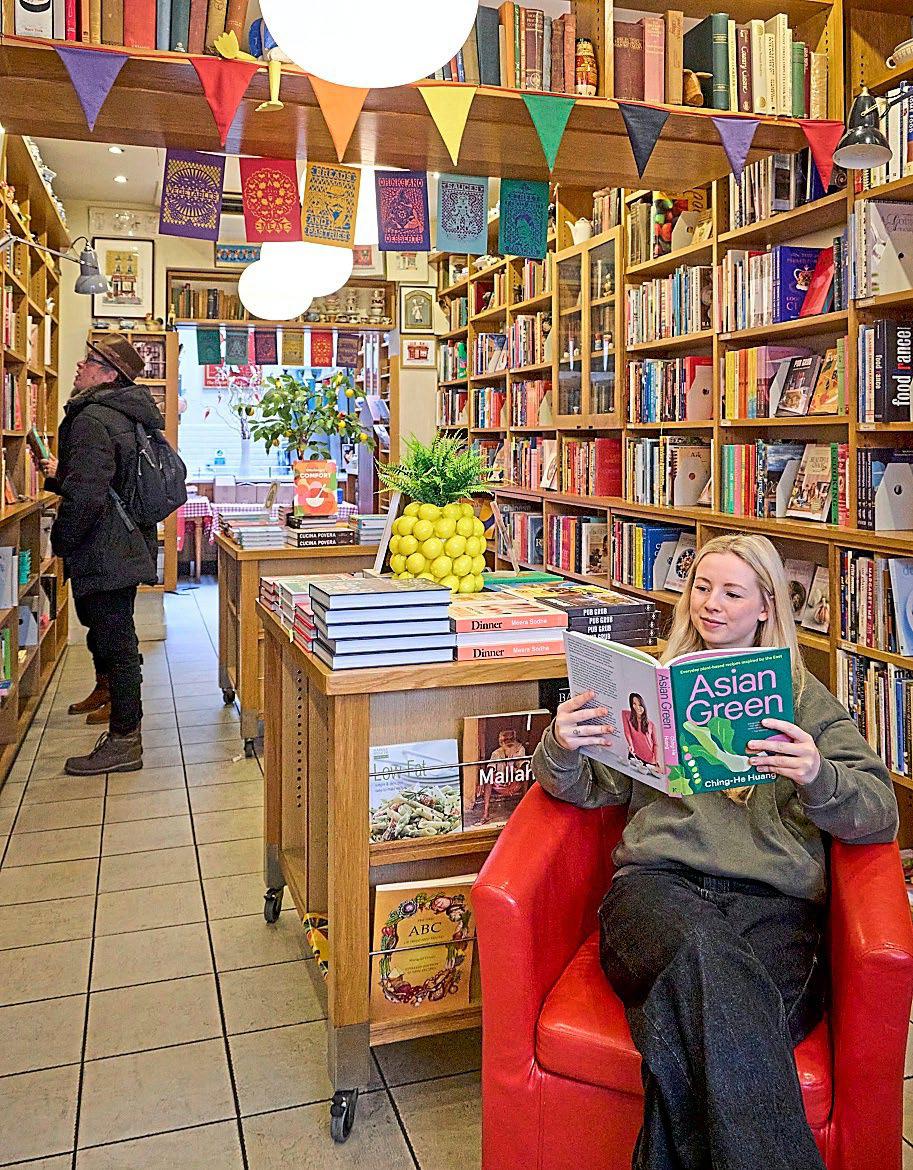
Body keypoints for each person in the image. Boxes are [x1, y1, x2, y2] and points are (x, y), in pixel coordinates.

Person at [532, 533, 898, 1170]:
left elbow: (879, 811)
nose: (712, 604)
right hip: (656, 893)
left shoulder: (804, 698)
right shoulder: (652, 684)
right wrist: (561, 746)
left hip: (772, 909)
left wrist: (818, 776)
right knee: (708, 964)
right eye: (701, 587)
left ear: (765, 608)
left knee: (691, 1045)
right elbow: (590, 789)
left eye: (732, 592)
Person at [41, 334, 162, 776]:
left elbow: (89, 496)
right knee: (110, 634)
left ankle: (124, 738)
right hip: (124, 541)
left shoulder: (93, 418)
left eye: (89, 361)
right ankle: (110, 702)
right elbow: (103, 483)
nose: (79, 366)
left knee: (118, 641)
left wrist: (62, 541)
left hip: (105, 546)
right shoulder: (123, 414)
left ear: (109, 375)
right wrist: (62, 481)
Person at [621, 692, 658, 769]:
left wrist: (656, 761)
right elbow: (627, 732)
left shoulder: (651, 724)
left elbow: (655, 744)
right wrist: (631, 745)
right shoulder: (626, 715)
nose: (637, 707)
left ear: (643, 706)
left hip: (650, 761)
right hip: (634, 754)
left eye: (640, 705)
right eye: (634, 703)